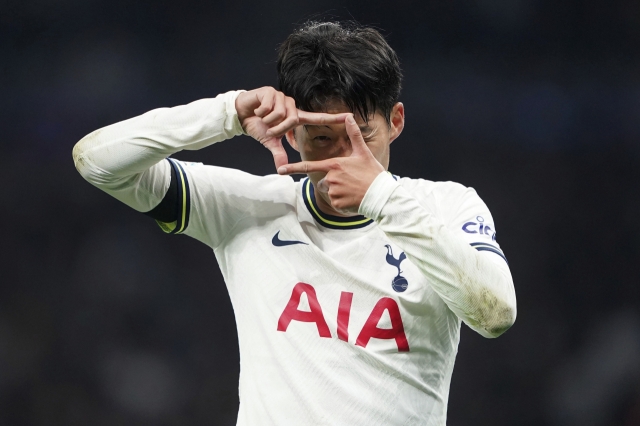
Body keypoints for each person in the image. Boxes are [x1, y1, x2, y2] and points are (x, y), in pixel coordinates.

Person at [73, 20, 516, 426]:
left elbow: (495, 313)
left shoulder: (446, 207)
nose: (343, 157)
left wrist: (380, 196)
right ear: (291, 132)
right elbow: (97, 162)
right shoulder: (246, 207)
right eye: (322, 139)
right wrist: (226, 114)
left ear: (395, 121)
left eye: (362, 137)